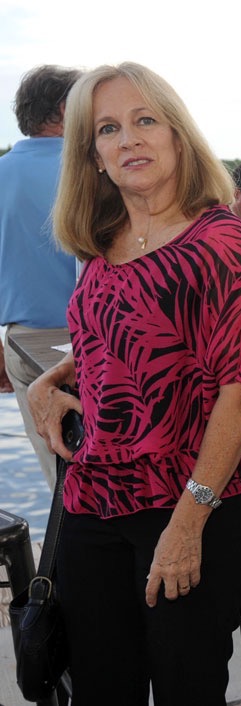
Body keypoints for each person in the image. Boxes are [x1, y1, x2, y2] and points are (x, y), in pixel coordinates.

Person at [26, 62, 241, 705]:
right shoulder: (99, 241)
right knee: (101, 687)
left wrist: (188, 522)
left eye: (146, 121)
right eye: (108, 128)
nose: (129, 140)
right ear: (91, 156)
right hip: (94, 503)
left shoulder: (219, 242)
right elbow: (117, 346)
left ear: (177, 136)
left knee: (185, 686)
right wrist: (48, 383)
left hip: (187, 503)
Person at [0, 64, 82, 489]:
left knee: (60, 483)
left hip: (20, 342)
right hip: (94, 349)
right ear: (69, 109)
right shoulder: (93, 171)